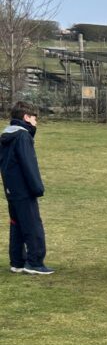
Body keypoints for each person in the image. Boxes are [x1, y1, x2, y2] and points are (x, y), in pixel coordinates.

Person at [0, 100, 54, 275]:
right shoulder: (23, 136)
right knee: (32, 225)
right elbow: (28, 164)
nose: (36, 122)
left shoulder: (6, 135)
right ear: (26, 117)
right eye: (34, 118)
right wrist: (37, 188)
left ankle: (17, 261)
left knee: (17, 224)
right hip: (24, 189)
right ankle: (35, 262)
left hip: (11, 189)